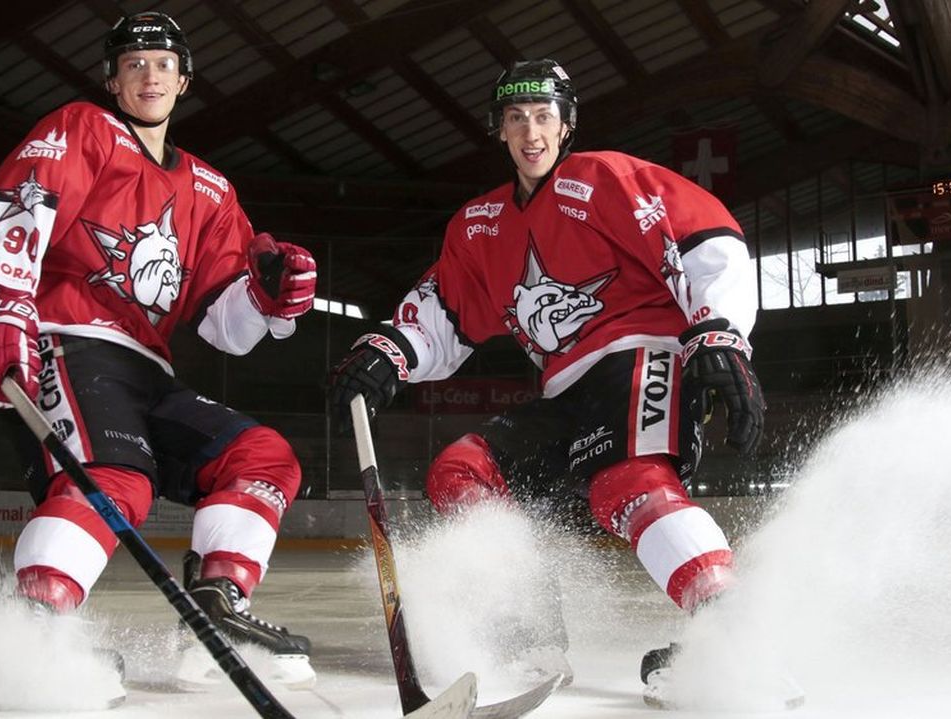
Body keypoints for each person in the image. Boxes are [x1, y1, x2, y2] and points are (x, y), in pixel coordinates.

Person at [327, 59, 766, 702]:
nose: (530, 132)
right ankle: (532, 632)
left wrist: (719, 330)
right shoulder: (480, 226)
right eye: (515, 119)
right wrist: (390, 351)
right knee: (462, 472)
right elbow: (444, 315)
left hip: (644, 354)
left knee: (629, 478)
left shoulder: (605, 178)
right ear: (498, 130)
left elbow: (703, 243)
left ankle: (731, 631)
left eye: (543, 116)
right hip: (565, 389)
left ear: (566, 125)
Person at [0, 11, 317, 690]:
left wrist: (269, 298)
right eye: (133, 64)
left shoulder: (210, 189)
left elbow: (223, 325)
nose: (149, 75)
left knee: (262, 455)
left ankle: (218, 605)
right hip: (70, 339)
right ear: (111, 79)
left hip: (147, 368)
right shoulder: (83, 129)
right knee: (116, 478)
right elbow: (21, 205)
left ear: (185, 81)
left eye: (163, 64)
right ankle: (32, 626)